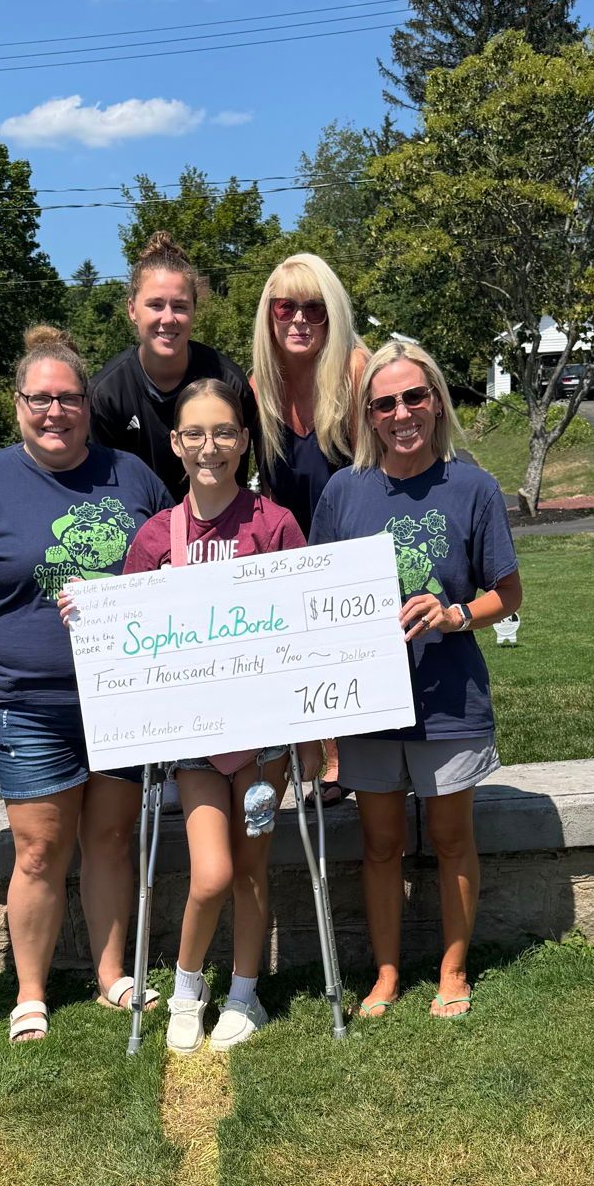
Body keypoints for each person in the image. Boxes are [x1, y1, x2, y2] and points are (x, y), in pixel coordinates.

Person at [0, 327, 172, 1044]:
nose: (55, 411)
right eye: (40, 398)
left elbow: (172, 565)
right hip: (28, 700)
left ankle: (111, 975)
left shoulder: (132, 478)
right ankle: (29, 992)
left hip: (123, 695)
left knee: (110, 837)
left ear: (86, 404)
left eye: (68, 398)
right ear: (18, 405)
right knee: (39, 848)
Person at [309, 341, 522, 1020]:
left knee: (452, 838)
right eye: (385, 403)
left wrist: (455, 613)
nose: (402, 413)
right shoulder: (344, 491)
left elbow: (507, 595)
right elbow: (317, 593)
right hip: (369, 704)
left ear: (436, 401)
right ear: (367, 416)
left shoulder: (474, 486)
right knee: (380, 844)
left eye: (414, 397)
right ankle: (387, 973)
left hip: (448, 696)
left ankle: (454, 969)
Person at [120, 378, 321, 1051]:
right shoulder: (154, 537)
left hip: (264, 742)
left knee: (254, 866)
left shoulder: (274, 525)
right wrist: (90, 618)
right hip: (197, 744)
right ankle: (185, 989)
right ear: (176, 444)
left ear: (243, 441)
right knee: (212, 872)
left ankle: (244, 994)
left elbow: (306, 627)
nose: (211, 447)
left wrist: (317, 736)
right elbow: (131, 636)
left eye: (225, 433)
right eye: (196, 434)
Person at [251, 252, 369, 803]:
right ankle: (322, 757)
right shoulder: (258, 387)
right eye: (286, 307)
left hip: (353, 540)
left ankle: (348, 762)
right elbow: (269, 484)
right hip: (292, 544)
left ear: (333, 315)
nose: (299, 320)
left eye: (315, 309)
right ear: (269, 316)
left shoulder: (355, 372)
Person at [90, 231, 258, 499]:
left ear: (194, 309)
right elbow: (108, 494)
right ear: (132, 310)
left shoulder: (228, 383)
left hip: (219, 527)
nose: (168, 319)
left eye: (179, 306)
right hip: (140, 529)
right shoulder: (107, 393)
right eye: (155, 305)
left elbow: (236, 483)